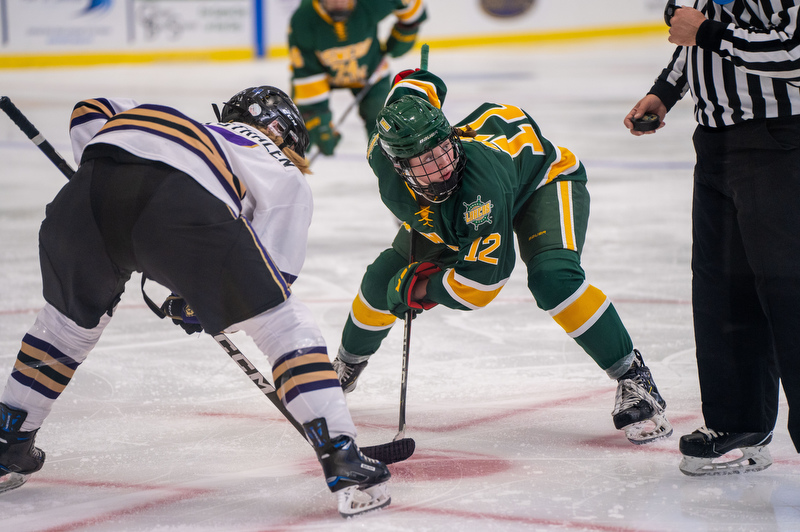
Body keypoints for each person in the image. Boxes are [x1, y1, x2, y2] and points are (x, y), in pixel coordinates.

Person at [0, 87, 390, 516]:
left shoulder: (185, 124)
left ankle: (8, 443)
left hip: (82, 203)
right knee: (285, 324)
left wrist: (99, 182)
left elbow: (90, 109)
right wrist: (194, 302)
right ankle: (343, 458)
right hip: (179, 204)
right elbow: (268, 283)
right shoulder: (282, 167)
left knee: (64, 330)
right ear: (285, 136)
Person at [332, 68, 673, 445]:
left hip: (542, 181)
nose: (443, 167)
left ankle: (634, 377)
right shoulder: (386, 144)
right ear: (396, 163)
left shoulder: (476, 188)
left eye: (444, 149)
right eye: (426, 163)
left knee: (553, 279)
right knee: (383, 277)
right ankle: (346, 366)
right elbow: (415, 85)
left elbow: (482, 282)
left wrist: (422, 289)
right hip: (460, 203)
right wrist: (414, 76)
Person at [625, 0, 800, 476]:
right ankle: (738, 423)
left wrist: (708, 34)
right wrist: (665, 92)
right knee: (721, 288)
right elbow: (691, 43)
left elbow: (795, 55)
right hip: (717, 145)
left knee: (790, 293)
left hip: (781, 143)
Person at [288, 0, 427, 158]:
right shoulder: (304, 19)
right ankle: (289, 169)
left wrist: (407, 30)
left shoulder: (369, 3)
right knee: (297, 131)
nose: (339, 3)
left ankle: (395, 170)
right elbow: (306, 71)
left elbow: (409, 4)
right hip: (324, 76)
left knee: (386, 125)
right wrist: (317, 119)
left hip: (371, 72)